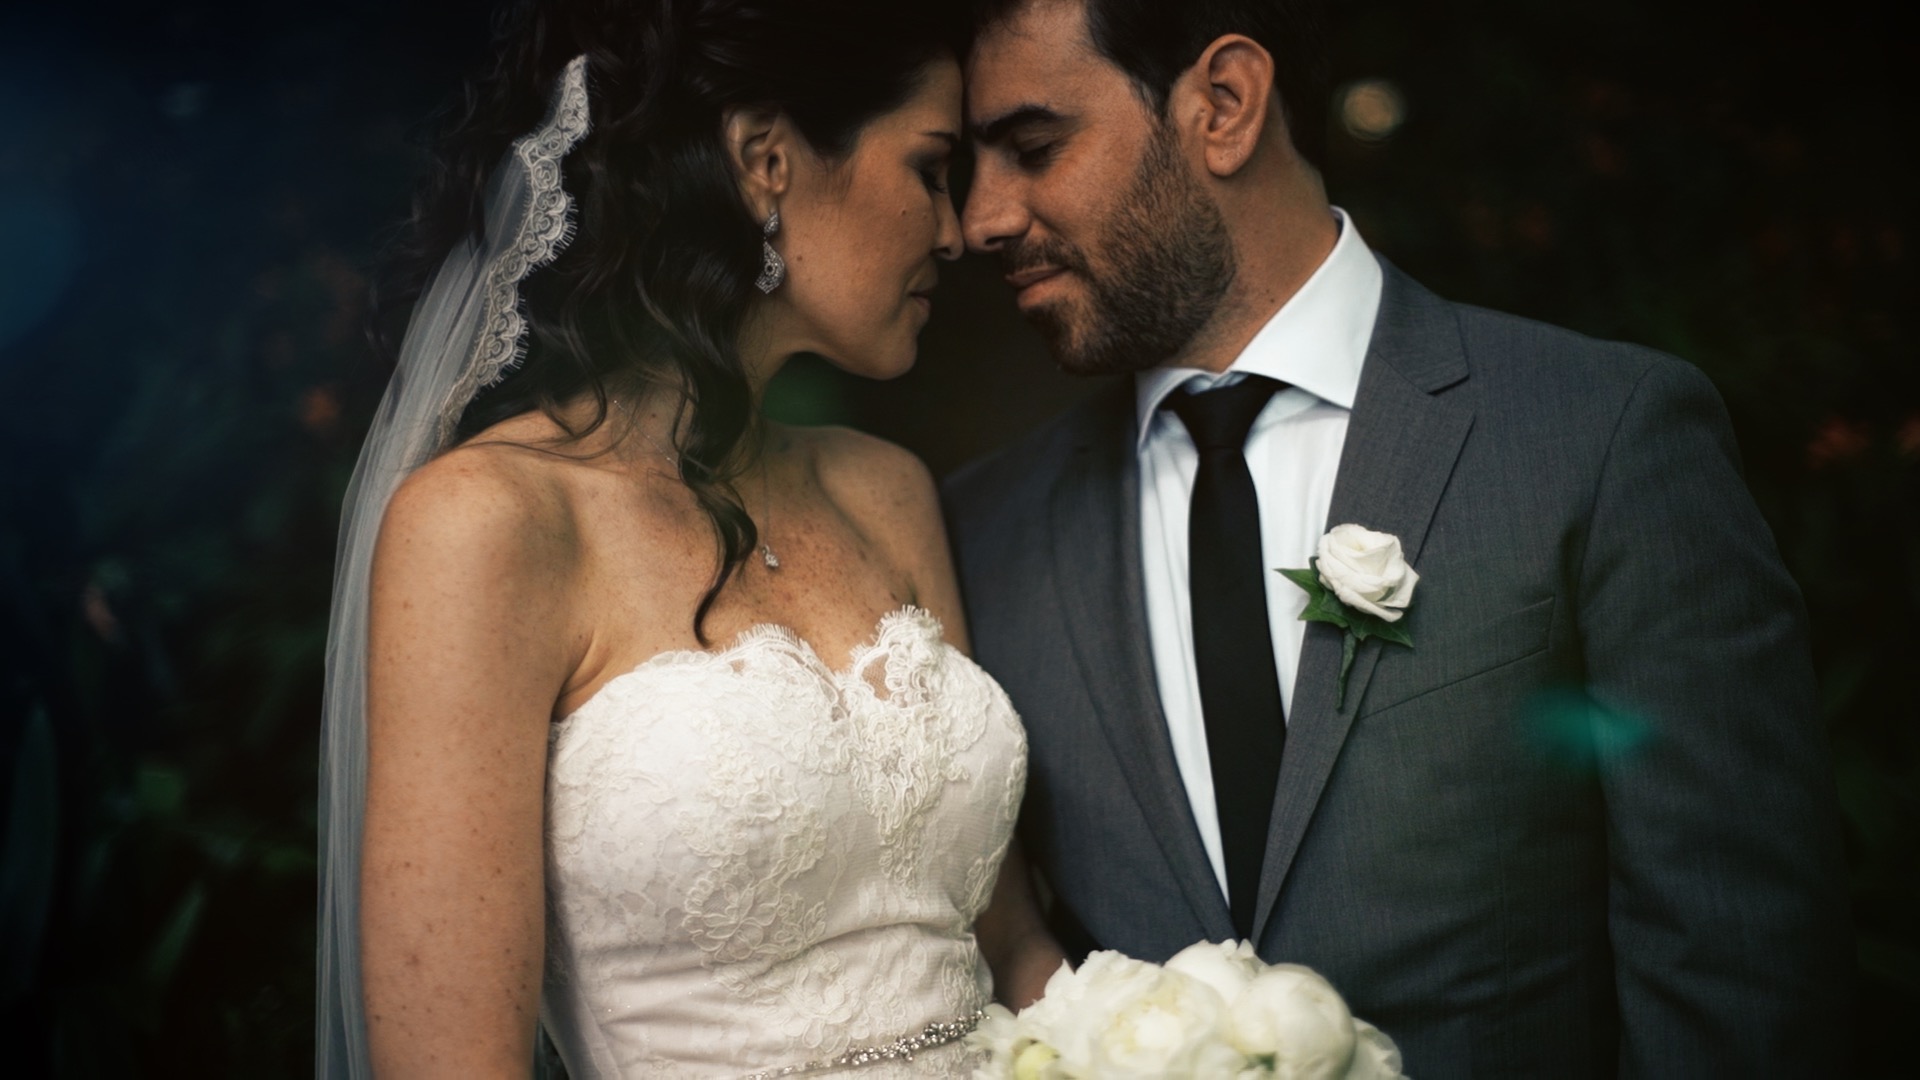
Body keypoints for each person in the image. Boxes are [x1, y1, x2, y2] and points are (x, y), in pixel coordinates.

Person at [941, 0, 1852, 1075]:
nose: (981, 218)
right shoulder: (980, 529)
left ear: (1223, 105)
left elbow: (1733, 961)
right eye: (966, 167)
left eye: (1034, 148)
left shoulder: (1599, 438)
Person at [316, 1, 1061, 1075]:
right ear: (767, 161)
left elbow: (1010, 941)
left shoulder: (888, 491)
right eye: (930, 168)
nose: (955, 229)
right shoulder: (490, 524)